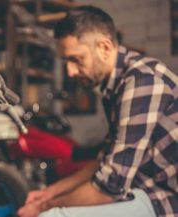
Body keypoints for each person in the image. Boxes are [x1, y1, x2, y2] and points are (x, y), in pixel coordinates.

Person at [17, 5, 178, 217]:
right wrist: (48, 193)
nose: (70, 72)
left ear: (104, 47)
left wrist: (44, 207)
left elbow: (110, 187)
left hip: (165, 199)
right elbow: (105, 162)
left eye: (76, 59)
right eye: (66, 61)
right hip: (142, 189)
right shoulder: (115, 85)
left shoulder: (143, 82)